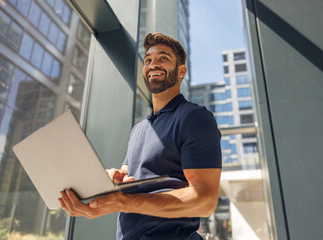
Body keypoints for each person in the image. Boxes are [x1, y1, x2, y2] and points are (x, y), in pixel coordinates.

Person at [59, 33, 222, 240]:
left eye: (163, 58)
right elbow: (129, 174)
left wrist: (122, 202)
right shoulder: (139, 129)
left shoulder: (194, 117)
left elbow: (205, 200)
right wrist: (112, 178)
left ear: (182, 71)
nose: (153, 64)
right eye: (148, 60)